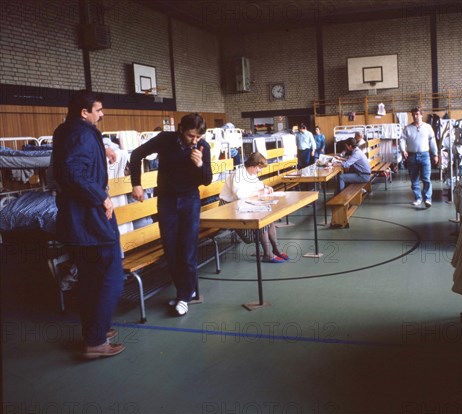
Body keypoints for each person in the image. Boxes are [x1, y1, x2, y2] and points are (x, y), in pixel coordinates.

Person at [52, 90, 125, 358]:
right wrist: (102, 197)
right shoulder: (81, 133)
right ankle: (95, 342)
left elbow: (71, 160)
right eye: (99, 110)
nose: (102, 114)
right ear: (85, 113)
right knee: (110, 277)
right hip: (90, 218)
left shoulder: (67, 130)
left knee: (90, 278)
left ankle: (96, 330)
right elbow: (72, 172)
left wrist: (101, 149)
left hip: (77, 221)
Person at [129, 113, 213, 317]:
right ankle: (185, 291)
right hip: (166, 201)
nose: (195, 141)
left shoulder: (203, 147)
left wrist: (200, 165)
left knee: (188, 249)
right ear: (180, 130)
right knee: (171, 249)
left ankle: (184, 296)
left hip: (190, 201)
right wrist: (136, 183)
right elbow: (136, 155)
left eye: (198, 137)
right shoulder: (165, 140)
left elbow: (207, 180)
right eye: (191, 136)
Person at [219, 152, 289, 263]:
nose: (260, 170)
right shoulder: (238, 174)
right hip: (228, 208)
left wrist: (266, 187)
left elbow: (259, 186)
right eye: (259, 168)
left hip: (241, 205)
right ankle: (268, 254)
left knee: (269, 218)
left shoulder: (251, 175)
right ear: (253, 165)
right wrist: (259, 192)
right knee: (261, 220)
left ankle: (276, 250)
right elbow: (239, 195)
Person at [400, 107, 439, 208]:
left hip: (425, 155)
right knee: (414, 179)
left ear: (421, 115)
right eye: (413, 115)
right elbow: (402, 140)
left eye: (417, 114)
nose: (415, 116)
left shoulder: (428, 127)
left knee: (426, 178)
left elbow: (432, 141)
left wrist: (435, 154)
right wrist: (403, 150)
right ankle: (418, 198)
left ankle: (427, 199)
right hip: (411, 156)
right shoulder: (407, 128)